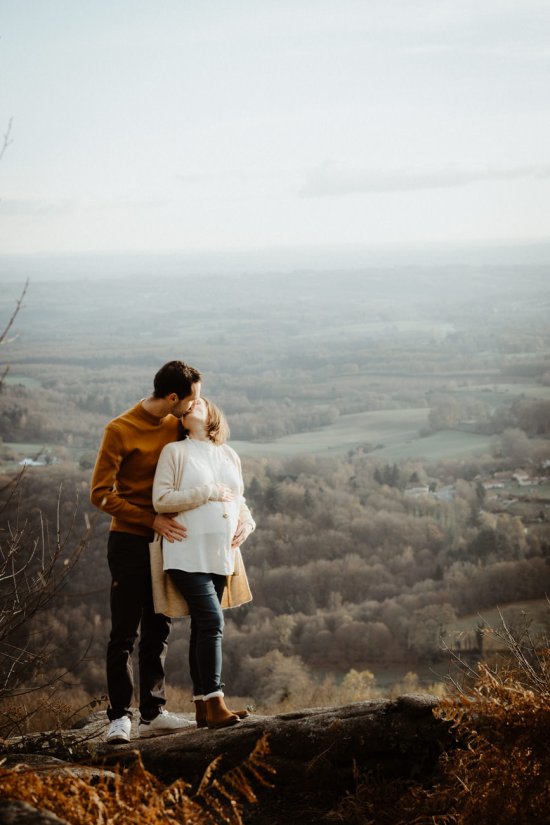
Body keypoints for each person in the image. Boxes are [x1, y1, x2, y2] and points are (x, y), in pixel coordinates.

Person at [90, 360, 201, 744]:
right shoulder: (119, 430)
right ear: (172, 397)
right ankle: (119, 716)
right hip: (129, 539)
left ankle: (153, 712)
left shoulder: (177, 424)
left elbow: (207, 451)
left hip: (166, 538)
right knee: (124, 631)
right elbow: (100, 493)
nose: (193, 407)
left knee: (160, 625)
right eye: (191, 400)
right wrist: (149, 520)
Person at [152, 396, 255, 729]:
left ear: (213, 413)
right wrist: (207, 492)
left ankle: (202, 708)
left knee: (202, 627)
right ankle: (216, 699)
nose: (193, 405)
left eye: (200, 401)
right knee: (212, 623)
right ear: (182, 418)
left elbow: (238, 498)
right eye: (188, 404)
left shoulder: (229, 454)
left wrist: (247, 523)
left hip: (222, 554)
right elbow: (161, 499)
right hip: (186, 551)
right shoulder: (176, 452)